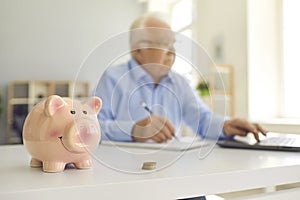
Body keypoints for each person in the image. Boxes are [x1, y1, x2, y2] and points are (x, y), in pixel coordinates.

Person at [93, 13, 267, 144]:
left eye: (172, 44)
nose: (171, 51)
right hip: (124, 172)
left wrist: (226, 125)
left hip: (171, 171)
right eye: (162, 44)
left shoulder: (179, 83)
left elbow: (203, 119)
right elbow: (91, 127)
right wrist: (133, 130)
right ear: (138, 51)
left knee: (198, 193)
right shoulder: (113, 78)